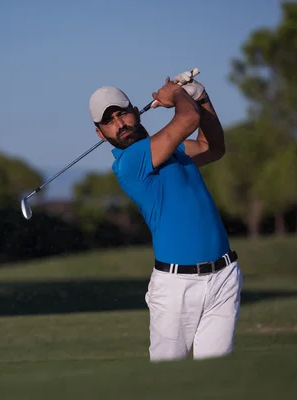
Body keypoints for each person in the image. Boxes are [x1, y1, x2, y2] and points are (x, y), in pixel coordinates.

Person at [88, 70, 243, 362]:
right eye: (109, 122)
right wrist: (176, 95)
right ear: (100, 134)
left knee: (216, 380)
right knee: (168, 384)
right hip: (176, 289)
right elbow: (187, 120)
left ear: (136, 112)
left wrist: (202, 98)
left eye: (122, 114)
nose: (119, 124)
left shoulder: (176, 150)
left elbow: (213, 147)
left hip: (224, 276)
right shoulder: (130, 162)